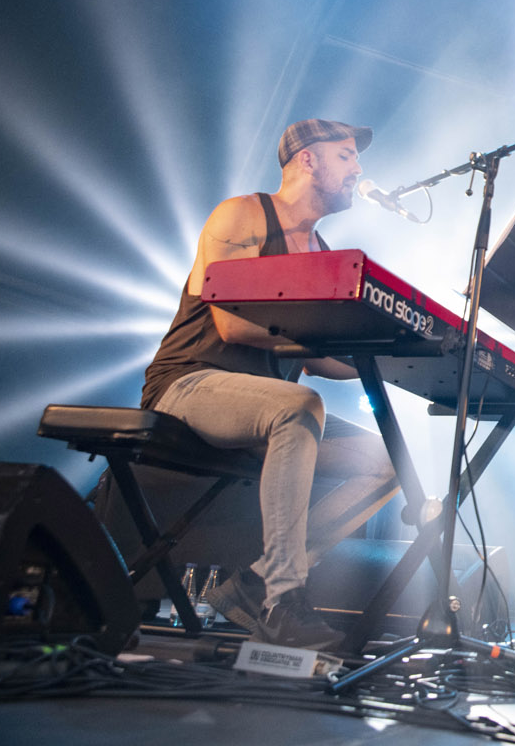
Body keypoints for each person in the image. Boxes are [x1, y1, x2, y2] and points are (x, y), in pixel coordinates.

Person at [141, 119, 400, 649]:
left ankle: (254, 584)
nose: (358, 168)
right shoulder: (243, 214)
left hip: (267, 406)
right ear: (307, 160)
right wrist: (329, 343)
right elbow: (231, 325)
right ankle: (283, 602)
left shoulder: (321, 252)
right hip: (189, 383)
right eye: (346, 155)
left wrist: (394, 353)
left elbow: (321, 360)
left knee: (389, 461)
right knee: (300, 405)